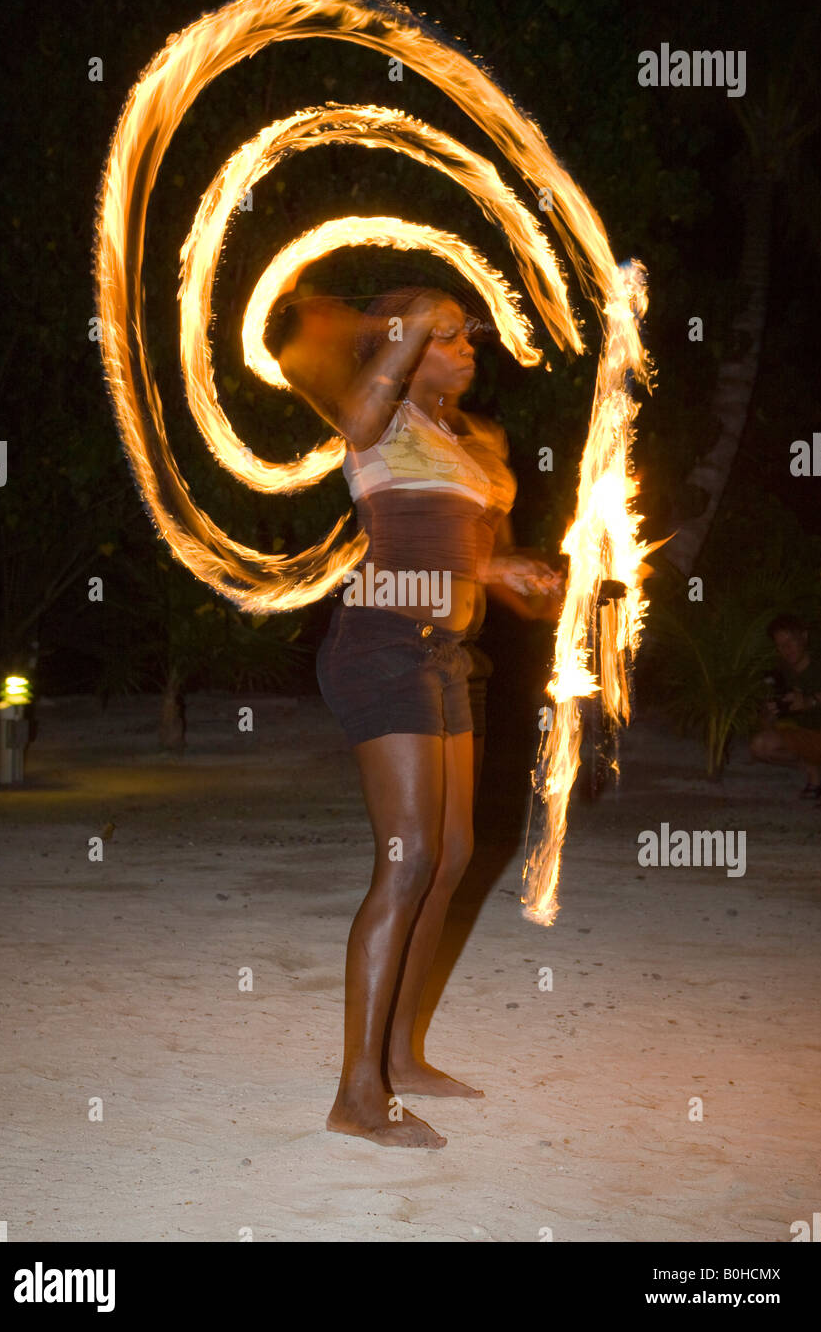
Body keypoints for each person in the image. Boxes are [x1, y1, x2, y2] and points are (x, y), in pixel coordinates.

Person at [279, 285, 564, 1148]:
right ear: (403, 342)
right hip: (381, 641)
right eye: (446, 334)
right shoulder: (374, 413)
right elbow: (361, 418)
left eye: (468, 333)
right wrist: (407, 328)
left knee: (453, 856)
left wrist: (524, 578)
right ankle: (355, 1094)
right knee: (405, 860)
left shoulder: (484, 442)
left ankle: (400, 1057)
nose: (467, 343)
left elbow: (488, 559)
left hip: (449, 658)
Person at [750, 613, 821, 799]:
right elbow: (767, 716)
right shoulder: (780, 671)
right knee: (760, 745)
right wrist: (770, 712)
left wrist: (811, 700)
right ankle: (815, 772)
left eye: (790, 641)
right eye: (780, 645)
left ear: (804, 637)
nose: (786, 649)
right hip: (808, 735)